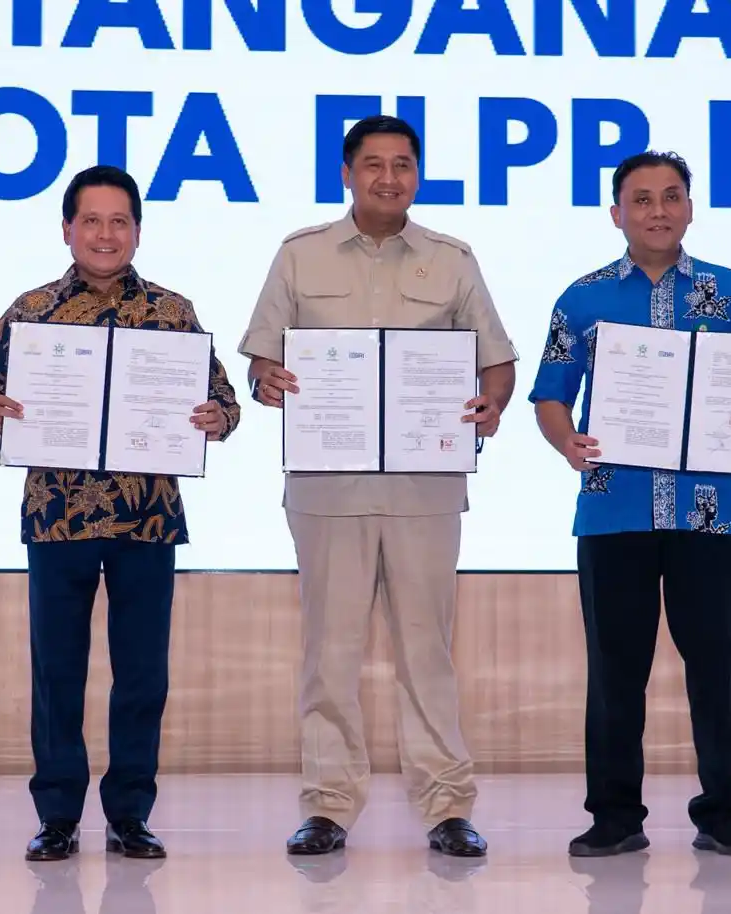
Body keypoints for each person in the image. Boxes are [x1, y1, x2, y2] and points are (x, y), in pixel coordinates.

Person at [238, 115, 518, 858]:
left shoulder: (453, 260)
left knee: (429, 652)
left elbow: (496, 360)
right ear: (347, 173)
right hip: (328, 491)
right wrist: (267, 382)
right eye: (373, 165)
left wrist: (491, 404)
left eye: (402, 165)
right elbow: (262, 360)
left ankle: (446, 806)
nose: (388, 178)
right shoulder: (300, 256)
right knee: (329, 653)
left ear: (417, 175)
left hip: (426, 491)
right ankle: (328, 805)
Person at [0, 164, 241, 862]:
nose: (106, 234)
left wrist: (215, 416)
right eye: (92, 220)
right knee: (58, 672)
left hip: (147, 521)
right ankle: (57, 815)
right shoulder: (30, 311)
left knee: (142, 674)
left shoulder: (173, 312)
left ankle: (129, 814)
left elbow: (226, 403)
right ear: (67, 228)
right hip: (58, 520)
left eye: (120, 222)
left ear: (137, 231)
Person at [528, 150, 731, 859]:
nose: (657, 211)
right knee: (614, 669)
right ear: (616, 213)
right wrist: (567, 444)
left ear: (690, 208)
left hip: (712, 514)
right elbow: (550, 394)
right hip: (613, 508)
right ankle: (615, 816)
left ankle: (723, 814)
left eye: (671, 197)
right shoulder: (583, 298)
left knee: (718, 667)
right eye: (641, 199)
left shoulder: (730, 292)